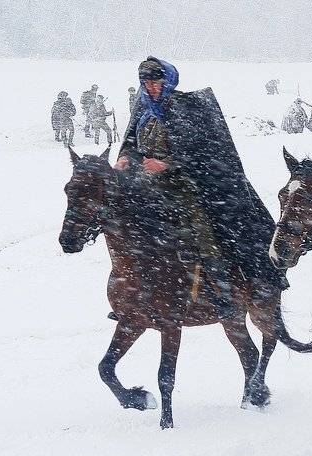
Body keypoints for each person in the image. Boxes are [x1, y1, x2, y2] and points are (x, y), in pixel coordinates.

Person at [114, 57, 287, 316]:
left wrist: (166, 164)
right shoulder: (144, 110)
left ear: (167, 80)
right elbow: (130, 141)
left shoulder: (185, 108)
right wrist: (125, 156)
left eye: (155, 82)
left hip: (184, 183)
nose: (150, 88)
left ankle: (222, 289)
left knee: (199, 225)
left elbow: (198, 152)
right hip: (147, 182)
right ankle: (135, 291)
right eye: (146, 83)